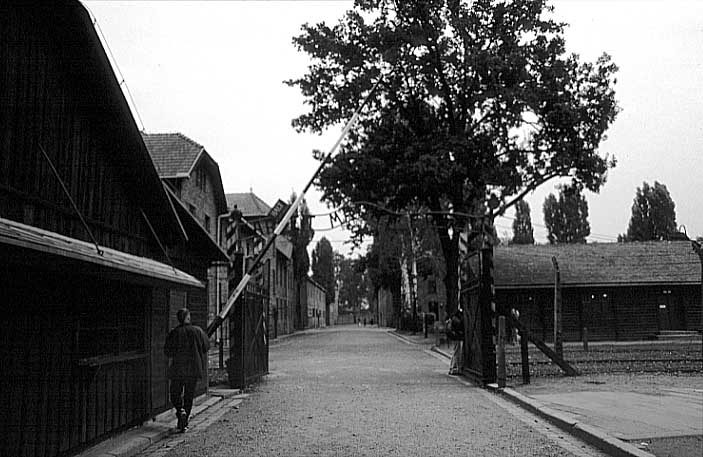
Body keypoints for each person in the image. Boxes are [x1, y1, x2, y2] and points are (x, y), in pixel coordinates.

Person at [164, 308, 211, 433]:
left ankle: (180, 410)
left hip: (178, 369)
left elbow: (167, 351)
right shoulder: (197, 331)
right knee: (189, 396)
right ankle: (184, 422)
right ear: (188, 318)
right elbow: (206, 346)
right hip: (193, 369)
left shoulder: (174, 333)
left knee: (175, 393)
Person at [446, 310, 465, 375]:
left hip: (454, 337)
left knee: (456, 352)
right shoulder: (457, 320)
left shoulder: (453, 318)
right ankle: (455, 368)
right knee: (457, 352)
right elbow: (459, 328)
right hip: (457, 337)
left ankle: (453, 368)